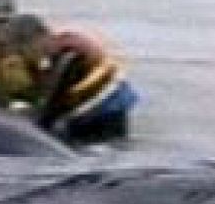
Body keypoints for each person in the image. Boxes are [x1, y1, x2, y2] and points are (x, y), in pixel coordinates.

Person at [7, 14, 138, 145]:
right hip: (95, 111)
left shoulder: (68, 57)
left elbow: (49, 111)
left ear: (40, 36)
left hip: (105, 114)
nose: (25, 56)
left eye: (23, 50)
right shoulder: (58, 48)